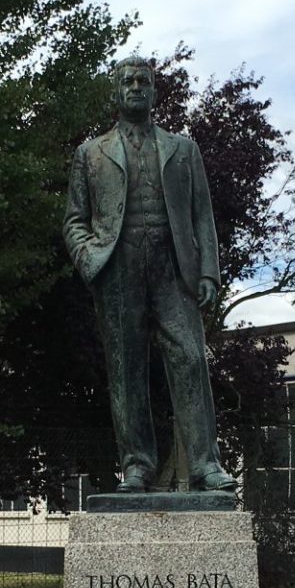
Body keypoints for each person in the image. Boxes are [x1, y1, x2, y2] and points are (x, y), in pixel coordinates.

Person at [63, 55, 237, 493]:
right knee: (126, 369)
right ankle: (137, 465)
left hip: (173, 268)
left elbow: (202, 216)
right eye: (129, 81)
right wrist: (90, 261)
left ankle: (205, 464)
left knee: (191, 360)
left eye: (144, 81)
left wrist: (209, 273)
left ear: (155, 91)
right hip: (117, 270)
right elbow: (74, 220)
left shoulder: (183, 149)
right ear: (116, 92)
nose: (137, 87)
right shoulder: (91, 153)